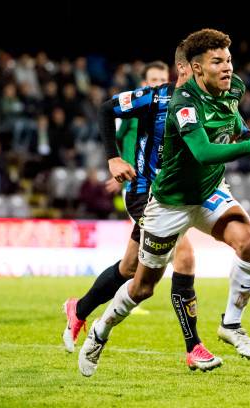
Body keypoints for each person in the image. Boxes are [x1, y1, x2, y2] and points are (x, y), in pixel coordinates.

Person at [78, 28, 250, 376]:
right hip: (170, 204)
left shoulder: (234, 87)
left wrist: (248, 134)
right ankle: (100, 331)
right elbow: (203, 152)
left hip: (208, 193)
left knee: (249, 244)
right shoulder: (182, 104)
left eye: (229, 60)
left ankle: (231, 326)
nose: (227, 68)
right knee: (142, 287)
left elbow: (233, 116)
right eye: (217, 61)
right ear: (196, 68)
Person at [63, 47, 221, 371]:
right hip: (143, 192)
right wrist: (113, 158)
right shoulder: (153, 98)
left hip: (172, 196)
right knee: (185, 254)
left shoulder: (198, 105)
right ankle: (194, 347)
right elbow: (107, 110)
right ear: (184, 68)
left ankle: (79, 309)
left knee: (129, 269)